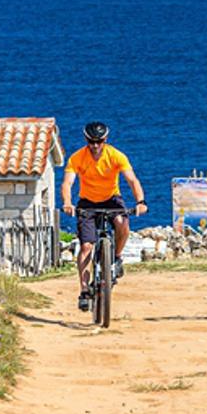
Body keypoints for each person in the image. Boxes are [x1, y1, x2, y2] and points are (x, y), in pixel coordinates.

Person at [61, 121, 147, 310]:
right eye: (91, 142)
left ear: (105, 139)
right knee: (86, 246)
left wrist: (140, 202)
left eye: (99, 141)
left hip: (111, 199)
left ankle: (115, 257)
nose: (95, 146)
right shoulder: (77, 158)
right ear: (86, 140)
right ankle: (84, 289)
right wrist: (67, 202)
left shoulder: (116, 155)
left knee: (122, 223)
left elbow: (132, 180)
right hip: (87, 202)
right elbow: (68, 183)